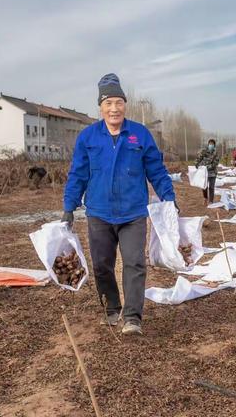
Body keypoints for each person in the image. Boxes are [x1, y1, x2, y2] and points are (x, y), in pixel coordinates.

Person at [62, 73, 177, 335]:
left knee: (135, 262)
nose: (114, 108)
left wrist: (168, 198)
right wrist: (69, 207)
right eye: (108, 103)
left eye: (118, 102)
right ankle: (112, 308)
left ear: (125, 105)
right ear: (100, 107)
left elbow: (156, 171)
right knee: (102, 264)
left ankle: (133, 316)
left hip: (133, 213)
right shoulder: (88, 137)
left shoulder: (140, 134)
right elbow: (78, 174)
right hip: (99, 213)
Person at [195, 139, 219, 206]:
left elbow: (215, 163)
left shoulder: (215, 153)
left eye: (212, 144)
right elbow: (198, 159)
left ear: (214, 145)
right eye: (210, 144)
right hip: (204, 173)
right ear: (208, 144)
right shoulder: (203, 151)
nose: (211, 145)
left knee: (211, 187)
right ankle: (205, 198)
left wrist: (207, 167)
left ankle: (211, 201)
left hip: (212, 172)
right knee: (204, 186)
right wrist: (197, 165)